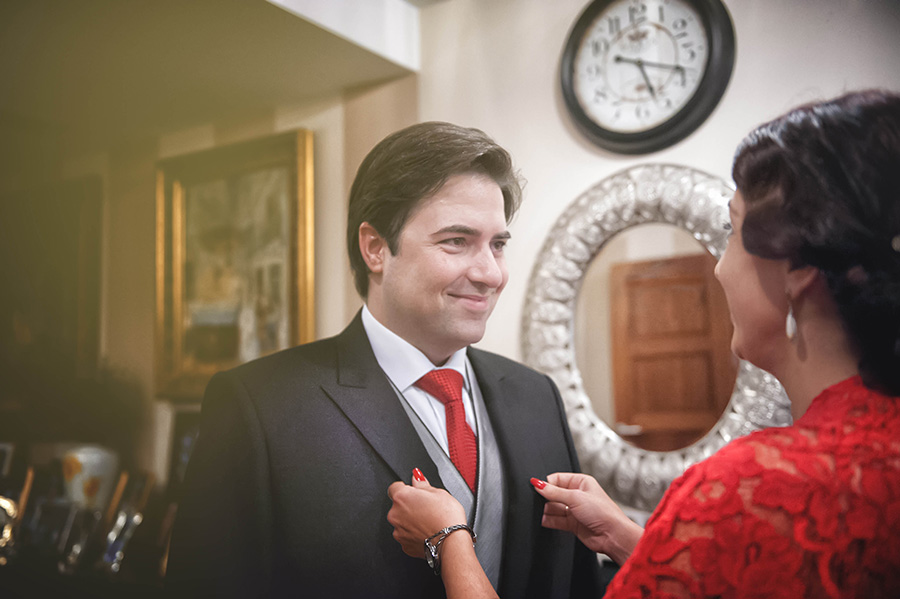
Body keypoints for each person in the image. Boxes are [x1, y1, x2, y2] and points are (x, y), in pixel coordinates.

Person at [387, 89, 900, 598]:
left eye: (733, 234)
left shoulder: (753, 489)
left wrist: (448, 540)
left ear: (799, 272)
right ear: (376, 249)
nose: (719, 268)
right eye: (456, 240)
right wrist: (630, 539)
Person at [166, 122, 604, 598]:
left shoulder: (536, 396)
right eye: (456, 241)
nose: (490, 273)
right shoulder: (260, 406)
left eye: (497, 244)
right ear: (375, 248)